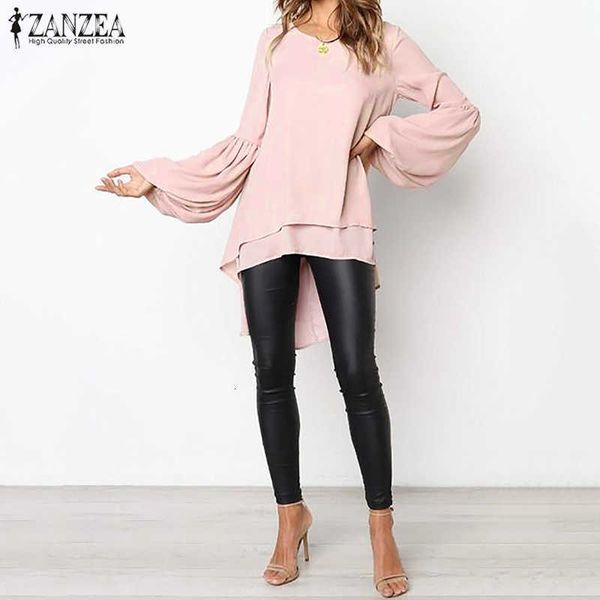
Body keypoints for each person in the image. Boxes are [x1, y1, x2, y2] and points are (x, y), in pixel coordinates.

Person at [95, 0, 481, 596]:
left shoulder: (384, 41)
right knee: (272, 374)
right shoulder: (275, 40)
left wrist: (380, 134)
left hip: (340, 216)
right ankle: (289, 517)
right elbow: (248, 140)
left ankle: (382, 528)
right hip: (268, 217)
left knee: (358, 372)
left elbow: (460, 110)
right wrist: (161, 176)